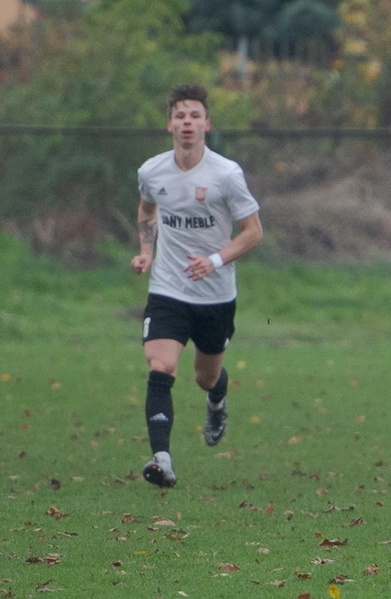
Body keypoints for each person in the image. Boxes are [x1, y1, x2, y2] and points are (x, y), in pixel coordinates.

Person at [130, 83, 263, 487]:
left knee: (205, 376)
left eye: (194, 115)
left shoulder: (226, 174)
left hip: (216, 296)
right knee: (161, 365)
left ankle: (217, 401)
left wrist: (215, 260)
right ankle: (162, 460)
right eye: (180, 115)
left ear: (206, 123)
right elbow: (147, 207)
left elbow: (253, 231)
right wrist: (147, 251)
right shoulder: (152, 171)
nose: (187, 122)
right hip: (168, 288)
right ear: (169, 123)